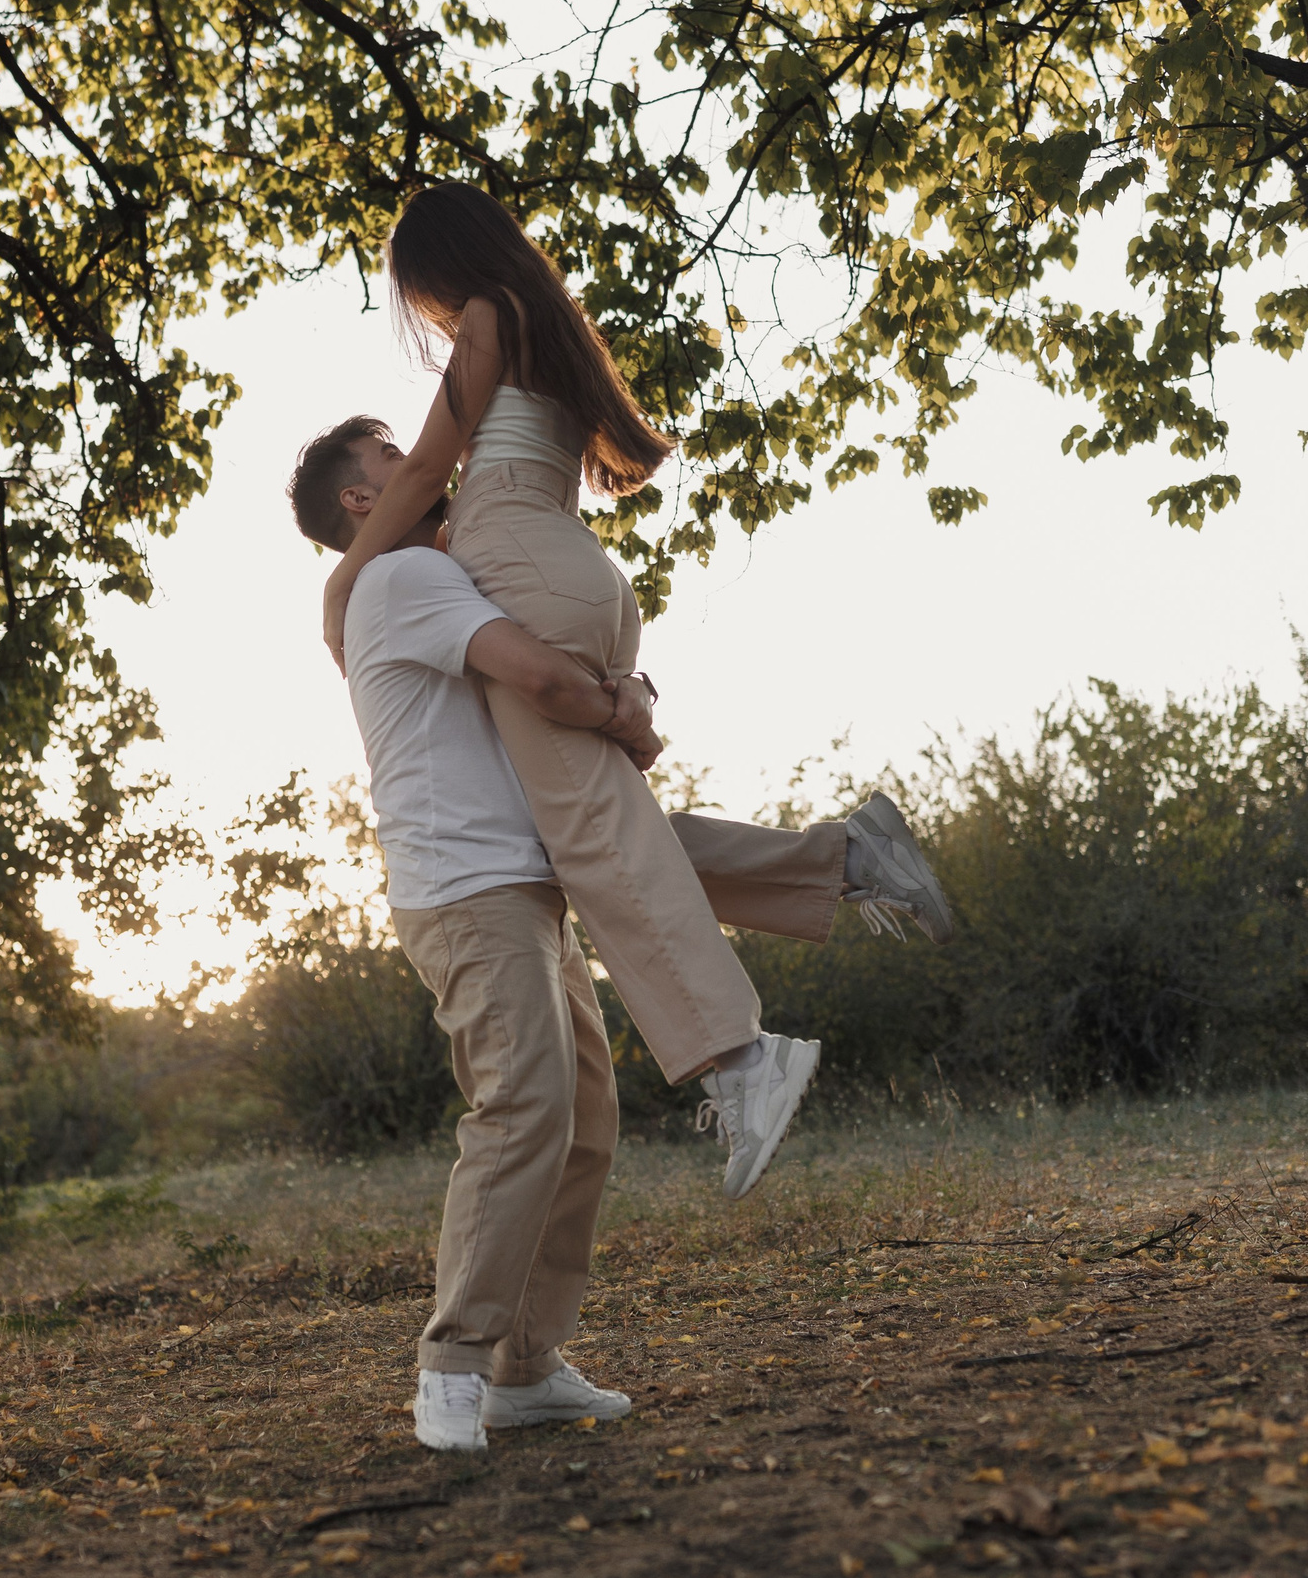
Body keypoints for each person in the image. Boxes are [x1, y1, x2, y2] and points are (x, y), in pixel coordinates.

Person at [291, 413, 943, 1452]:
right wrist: (621, 710)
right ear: (362, 501)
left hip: (533, 875)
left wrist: (630, 694)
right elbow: (548, 680)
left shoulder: (431, 576)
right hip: (468, 892)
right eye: (393, 458)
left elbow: (564, 677)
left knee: (585, 1123)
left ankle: (523, 1369)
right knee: (524, 1107)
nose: (428, 459)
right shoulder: (400, 580)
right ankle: (453, 1366)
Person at [316, 182, 953, 1198]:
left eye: (422, 294)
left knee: (593, 839)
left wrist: (341, 582)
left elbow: (429, 465)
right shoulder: (545, 321)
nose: (429, 315)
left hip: (517, 561)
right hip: (571, 567)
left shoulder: (487, 318)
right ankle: (846, 860)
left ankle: (741, 1058)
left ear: (444, 267)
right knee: (598, 833)